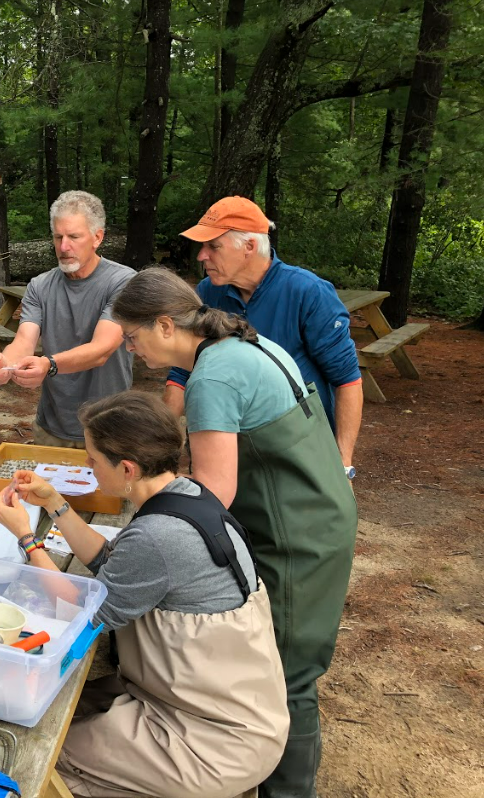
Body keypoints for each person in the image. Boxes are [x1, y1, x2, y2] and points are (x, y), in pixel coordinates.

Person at [113, 267, 358, 798]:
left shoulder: (213, 377)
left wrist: (143, 514)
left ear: (163, 324)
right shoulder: (239, 344)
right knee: (278, 668)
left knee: (290, 675)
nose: (132, 351)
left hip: (297, 538)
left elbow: (210, 495)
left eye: (132, 338)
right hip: (311, 517)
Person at [0, 391, 289, 798]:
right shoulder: (187, 496)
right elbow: (112, 566)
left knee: (33, 748)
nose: (87, 465)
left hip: (210, 742)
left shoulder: (158, 536)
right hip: (226, 712)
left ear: (128, 468)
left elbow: (82, 612)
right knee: (51, 708)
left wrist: (27, 537)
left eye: (94, 459)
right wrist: (55, 503)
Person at [166, 196, 363, 477]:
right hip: (228, 445)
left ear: (249, 246)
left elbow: (347, 381)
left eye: (213, 246)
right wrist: (155, 440)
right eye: (202, 246)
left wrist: (343, 466)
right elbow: (184, 371)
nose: (201, 256)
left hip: (296, 450)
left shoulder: (307, 292)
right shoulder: (209, 292)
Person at [0, 190, 135, 448]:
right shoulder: (39, 286)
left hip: (109, 431)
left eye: (74, 237)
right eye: (58, 237)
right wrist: (5, 363)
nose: (63, 247)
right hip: (50, 429)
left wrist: (48, 365)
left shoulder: (123, 282)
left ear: (98, 237)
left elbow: (101, 350)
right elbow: (24, 340)